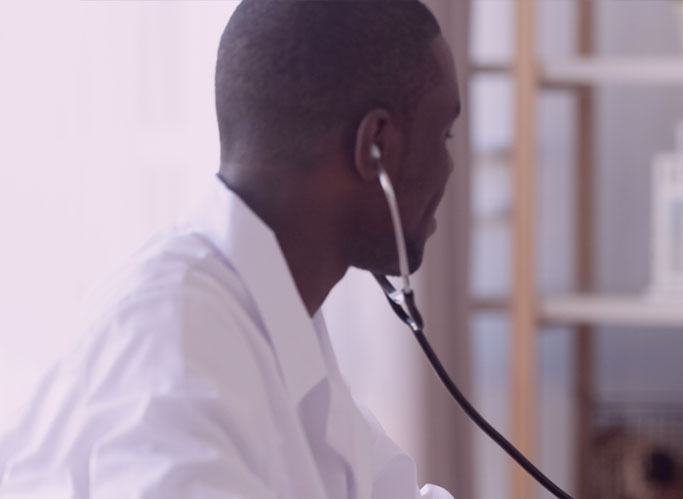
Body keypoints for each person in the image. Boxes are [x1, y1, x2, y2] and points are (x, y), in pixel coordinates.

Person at [0, 2, 458, 497]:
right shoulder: (174, 342)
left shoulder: (279, 322)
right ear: (377, 146)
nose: (451, 167)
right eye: (445, 134)